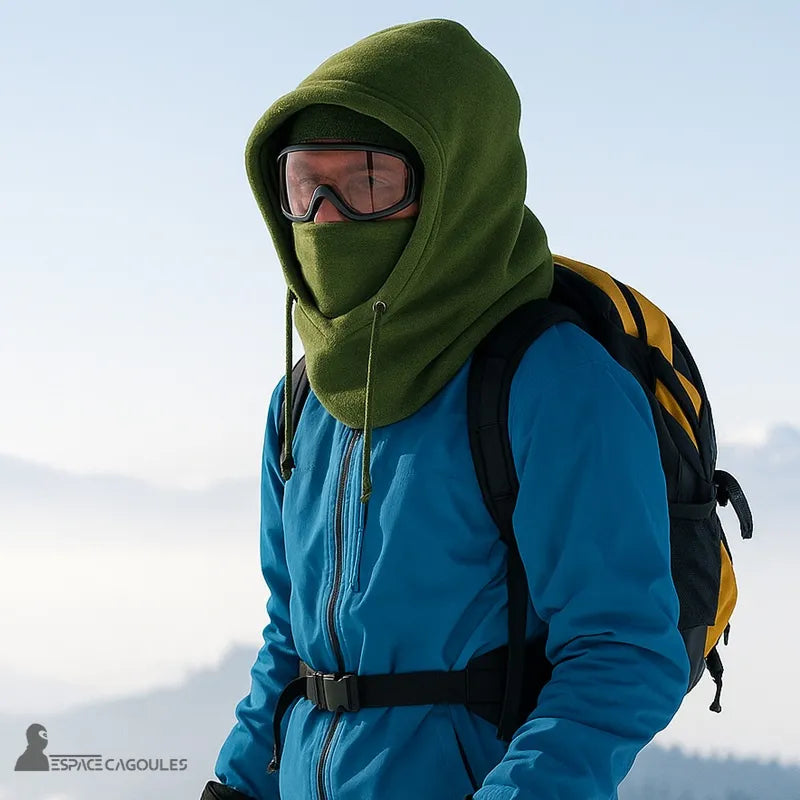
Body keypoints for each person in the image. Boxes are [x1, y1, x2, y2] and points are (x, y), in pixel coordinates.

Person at [201, 18, 690, 800]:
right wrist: (233, 784)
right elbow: (291, 644)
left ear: (458, 186)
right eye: (304, 186)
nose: (326, 219)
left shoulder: (552, 381)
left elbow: (624, 650)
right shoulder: (303, 401)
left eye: (367, 181)